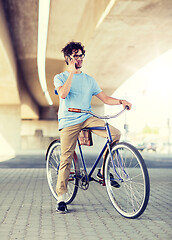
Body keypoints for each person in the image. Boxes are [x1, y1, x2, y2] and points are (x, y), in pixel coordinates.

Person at [54, 41, 132, 213]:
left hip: (88, 117)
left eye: (81, 55)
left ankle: (103, 171)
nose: (79, 59)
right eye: (75, 56)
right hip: (68, 120)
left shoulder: (89, 80)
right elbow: (63, 94)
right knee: (65, 159)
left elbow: (104, 98)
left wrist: (121, 101)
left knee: (115, 133)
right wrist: (72, 74)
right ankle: (61, 196)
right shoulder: (60, 78)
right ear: (68, 58)